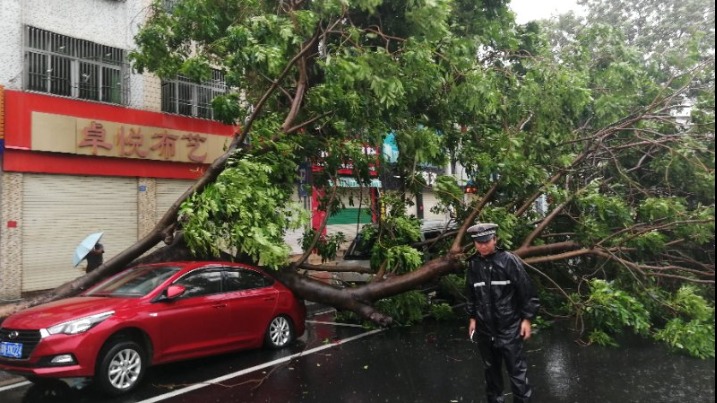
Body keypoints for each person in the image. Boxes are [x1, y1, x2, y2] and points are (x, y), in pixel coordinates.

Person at [465, 223, 540, 403]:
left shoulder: (508, 260)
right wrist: (472, 317)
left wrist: (527, 319)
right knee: (491, 374)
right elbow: (470, 294)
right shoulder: (473, 265)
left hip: (509, 327)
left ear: (494, 240)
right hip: (484, 330)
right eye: (478, 242)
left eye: (486, 242)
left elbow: (527, 291)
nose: (482, 246)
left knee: (517, 373)